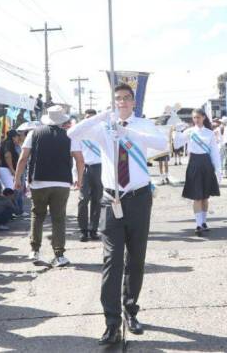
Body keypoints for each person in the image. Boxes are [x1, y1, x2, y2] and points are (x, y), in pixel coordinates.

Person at [68, 83, 168, 346]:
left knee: (136, 259)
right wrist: (103, 116)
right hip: (111, 199)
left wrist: (129, 131)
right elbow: (73, 133)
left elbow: (161, 144)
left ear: (133, 102)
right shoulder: (104, 128)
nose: (122, 103)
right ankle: (111, 322)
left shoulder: (142, 125)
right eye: (117, 99)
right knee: (112, 261)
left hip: (138, 197)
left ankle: (131, 310)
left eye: (126, 99)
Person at [14, 106, 84, 267]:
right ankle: (59, 255)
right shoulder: (69, 135)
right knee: (58, 218)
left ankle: (35, 250)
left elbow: (23, 158)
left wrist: (17, 178)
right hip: (61, 182)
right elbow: (80, 160)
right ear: (62, 120)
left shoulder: (34, 133)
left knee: (37, 215)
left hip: (38, 181)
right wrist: (79, 179)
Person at [174, 108, 221, 236]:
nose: (196, 120)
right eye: (194, 118)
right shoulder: (189, 132)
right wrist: (176, 131)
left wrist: (218, 170)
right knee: (197, 196)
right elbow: (177, 144)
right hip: (194, 163)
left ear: (204, 117)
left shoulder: (210, 133)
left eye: (198, 117)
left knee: (205, 197)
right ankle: (198, 224)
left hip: (206, 164)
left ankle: (204, 222)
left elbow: (214, 152)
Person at [76, 109, 105, 241]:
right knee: (83, 200)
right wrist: (75, 175)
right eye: (88, 118)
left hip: (99, 168)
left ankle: (93, 230)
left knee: (97, 200)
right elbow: (75, 156)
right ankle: (83, 230)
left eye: (93, 118)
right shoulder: (80, 133)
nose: (90, 120)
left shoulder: (102, 132)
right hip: (85, 168)